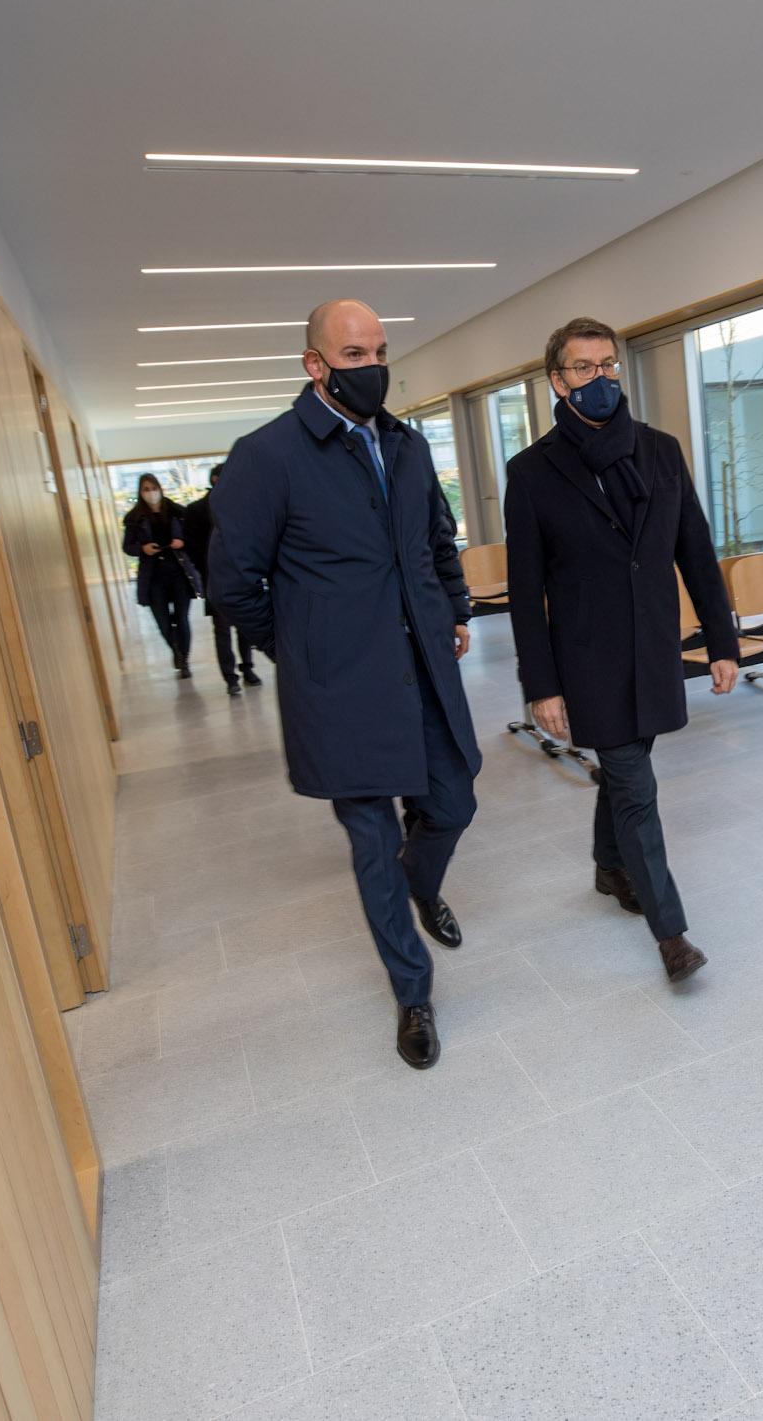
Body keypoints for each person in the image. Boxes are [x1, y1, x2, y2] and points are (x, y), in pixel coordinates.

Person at [209, 300, 478, 1070]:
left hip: (422, 667)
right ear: (314, 364)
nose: (372, 368)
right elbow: (233, 585)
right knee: (372, 840)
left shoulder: (408, 444)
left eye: (381, 351)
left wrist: (452, 606)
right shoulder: (267, 456)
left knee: (453, 802)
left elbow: (435, 538)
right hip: (339, 689)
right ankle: (412, 992)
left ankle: (420, 884)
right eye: (354, 354)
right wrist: (299, 649)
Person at [504, 316, 740, 983]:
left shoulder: (661, 451)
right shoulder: (532, 472)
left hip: (654, 645)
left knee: (628, 768)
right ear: (557, 380)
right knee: (637, 785)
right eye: (584, 368)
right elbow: (526, 592)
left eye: (608, 364)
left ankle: (610, 867)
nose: (600, 378)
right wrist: (540, 684)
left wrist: (721, 642)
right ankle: (670, 933)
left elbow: (694, 549)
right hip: (587, 657)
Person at [181, 463, 263, 695]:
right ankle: (230, 678)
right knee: (222, 630)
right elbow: (192, 546)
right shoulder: (195, 510)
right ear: (216, 480)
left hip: (244, 577)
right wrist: (207, 570)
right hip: (214, 579)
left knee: (245, 627)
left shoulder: (243, 506)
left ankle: (248, 669)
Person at [121, 472, 197, 678]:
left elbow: (193, 537)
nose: (151, 493)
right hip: (153, 577)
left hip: (179, 573)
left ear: (160, 489)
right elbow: (127, 547)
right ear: (140, 492)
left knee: (182, 618)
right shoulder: (134, 519)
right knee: (162, 621)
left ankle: (185, 659)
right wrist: (142, 548)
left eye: (153, 488)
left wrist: (182, 542)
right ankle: (175, 648)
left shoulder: (177, 511)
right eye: (146, 489)